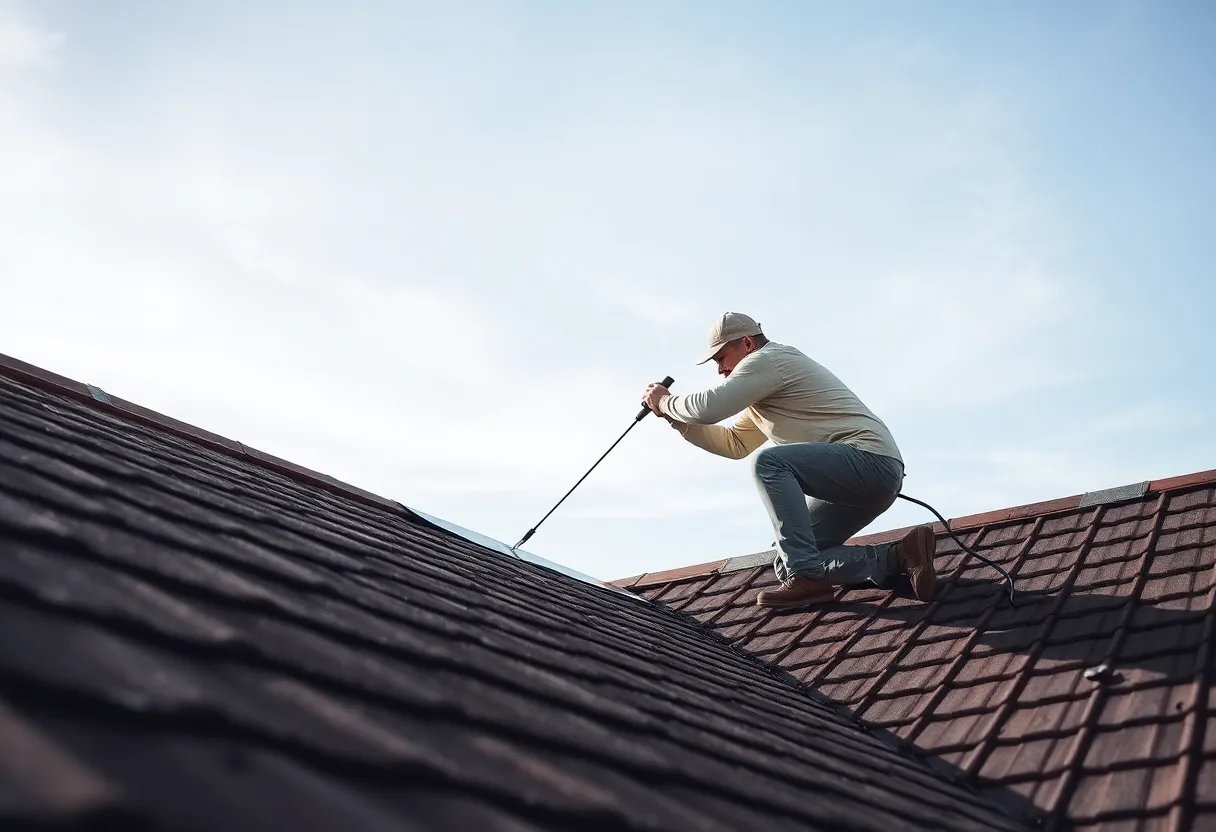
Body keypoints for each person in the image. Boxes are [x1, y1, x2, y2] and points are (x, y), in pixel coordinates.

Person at [641, 312, 937, 608]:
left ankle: (808, 579)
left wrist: (666, 401)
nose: (720, 369)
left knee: (770, 463)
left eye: (721, 357)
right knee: (790, 561)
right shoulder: (763, 387)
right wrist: (675, 419)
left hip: (869, 460)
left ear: (746, 343)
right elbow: (735, 443)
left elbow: (709, 407)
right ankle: (899, 557)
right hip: (864, 477)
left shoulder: (767, 360)